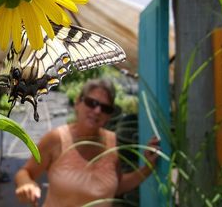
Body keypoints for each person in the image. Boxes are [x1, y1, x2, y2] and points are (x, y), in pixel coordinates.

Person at [15, 78, 160, 207]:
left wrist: (147, 167)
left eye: (105, 108)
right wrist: (26, 183)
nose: (97, 111)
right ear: (78, 102)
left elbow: (117, 186)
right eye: (92, 103)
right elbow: (25, 172)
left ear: (109, 115)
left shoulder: (112, 141)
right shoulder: (56, 139)